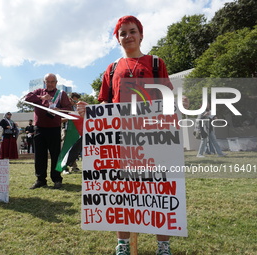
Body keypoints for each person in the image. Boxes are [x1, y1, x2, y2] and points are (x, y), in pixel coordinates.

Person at [78, 15, 189, 255]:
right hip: (121, 138)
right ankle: (123, 244)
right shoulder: (112, 69)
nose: (128, 36)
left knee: (159, 190)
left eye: (132, 31)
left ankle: (163, 245)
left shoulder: (156, 63)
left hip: (154, 135)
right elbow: (105, 107)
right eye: (123, 33)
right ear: (118, 40)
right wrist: (89, 111)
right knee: (122, 193)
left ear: (141, 34)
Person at [25, 73, 72, 189]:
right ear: (44, 82)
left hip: (54, 128)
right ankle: (40, 180)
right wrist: (41, 98)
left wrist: (59, 109)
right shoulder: (38, 91)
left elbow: (69, 109)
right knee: (39, 155)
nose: (50, 84)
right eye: (48, 81)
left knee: (56, 155)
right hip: (39, 128)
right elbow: (27, 98)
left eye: (52, 82)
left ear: (56, 83)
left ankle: (57, 179)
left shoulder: (61, 94)